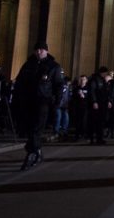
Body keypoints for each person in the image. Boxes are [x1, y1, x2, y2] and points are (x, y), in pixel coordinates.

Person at [13, 41, 64, 170]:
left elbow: (59, 85)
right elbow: (19, 82)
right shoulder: (28, 64)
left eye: (41, 49)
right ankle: (37, 151)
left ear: (46, 51)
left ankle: (31, 153)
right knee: (30, 128)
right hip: (28, 101)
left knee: (36, 128)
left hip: (43, 101)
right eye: (37, 49)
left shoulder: (53, 66)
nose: (39, 51)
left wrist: (57, 102)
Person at [88, 66, 113, 145]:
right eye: (105, 73)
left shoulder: (103, 80)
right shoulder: (94, 80)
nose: (106, 74)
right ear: (102, 72)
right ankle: (92, 138)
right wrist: (94, 102)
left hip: (103, 104)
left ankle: (100, 138)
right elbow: (92, 91)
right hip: (97, 104)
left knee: (101, 122)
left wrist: (108, 101)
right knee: (93, 122)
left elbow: (106, 92)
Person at [53, 71, 71, 140]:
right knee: (58, 117)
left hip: (64, 104)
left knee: (65, 117)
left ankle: (63, 131)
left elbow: (68, 95)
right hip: (59, 103)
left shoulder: (67, 85)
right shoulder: (59, 83)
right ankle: (57, 131)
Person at [71, 75, 89, 141]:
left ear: (86, 80)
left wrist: (83, 96)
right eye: (81, 79)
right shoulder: (76, 88)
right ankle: (77, 135)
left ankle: (84, 134)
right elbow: (73, 98)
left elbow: (90, 98)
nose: (82, 81)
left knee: (84, 121)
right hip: (77, 107)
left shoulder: (88, 88)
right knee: (77, 121)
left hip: (85, 107)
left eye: (84, 79)